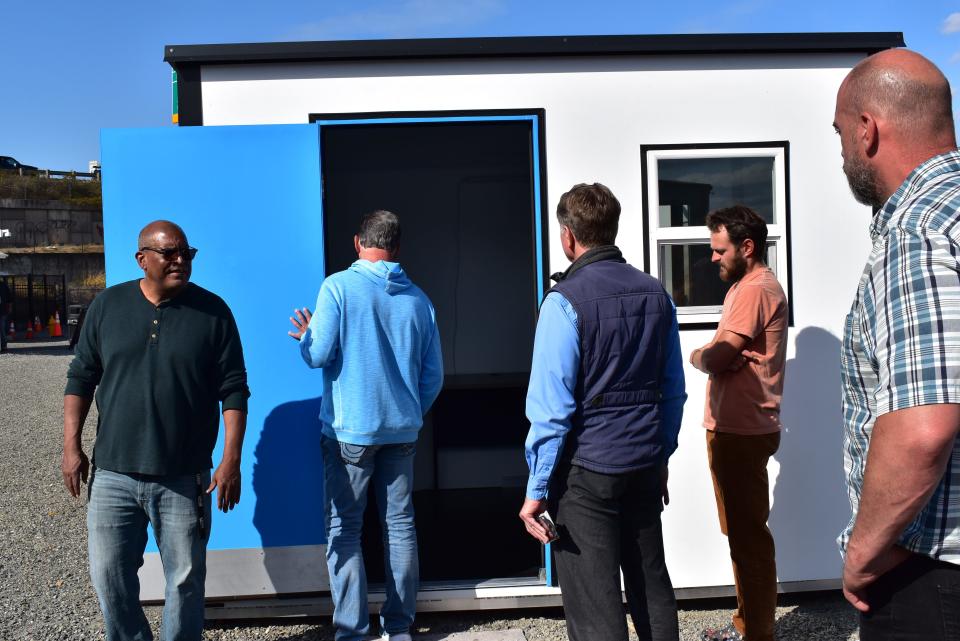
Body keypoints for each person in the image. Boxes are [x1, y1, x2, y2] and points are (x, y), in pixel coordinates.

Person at [62, 220, 249, 641]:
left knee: (184, 582)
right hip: (113, 473)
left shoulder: (213, 312)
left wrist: (230, 461)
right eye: (170, 253)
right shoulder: (107, 307)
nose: (181, 260)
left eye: (187, 252)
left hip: (185, 478)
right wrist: (70, 446)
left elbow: (234, 390)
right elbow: (80, 378)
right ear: (142, 258)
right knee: (109, 577)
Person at [519, 183, 686, 641]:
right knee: (652, 587)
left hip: (587, 473)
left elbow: (552, 412)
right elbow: (673, 392)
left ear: (568, 236)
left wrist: (536, 490)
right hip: (644, 464)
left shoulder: (563, 302)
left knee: (596, 606)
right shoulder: (656, 293)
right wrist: (662, 454)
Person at [833, 48, 960, 640]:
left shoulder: (916, 234)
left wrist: (863, 555)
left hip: (929, 575)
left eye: (839, 133)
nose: (840, 153)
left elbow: (923, 427)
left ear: (868, 129)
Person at [288, 209, 443, 641]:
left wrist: (306, 337)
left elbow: (318, 355)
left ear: (359, 243)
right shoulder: (420, 300)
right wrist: (409, 413)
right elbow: (433, 377)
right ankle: (399, 628)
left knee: (345, 528)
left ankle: (352, 632)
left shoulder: (338, 287)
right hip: (402, 434)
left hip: (349, 435)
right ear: (397, 247)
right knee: (400, 525)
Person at [690, 205, 788, 641]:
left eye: (719, 249)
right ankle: (747, 626)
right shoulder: (746, 288)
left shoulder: (754, 290)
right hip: (734, 429)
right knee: (742, 537)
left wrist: (701, 356)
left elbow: (717, 355)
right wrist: (719, 358)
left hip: (742, 433)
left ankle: (756, 634)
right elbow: (725, 355)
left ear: (746, 247)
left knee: (748, 540)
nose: (713, 258)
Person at [0, 276, 11, 353]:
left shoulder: (3, 285)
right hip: (3, 310)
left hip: (2, 310)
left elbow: (9, 299)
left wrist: (9, 308)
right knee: (2, 328)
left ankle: (4, 346)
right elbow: (10, 299)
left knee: (2, 328)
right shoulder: (3, 285)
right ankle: (3, 346)